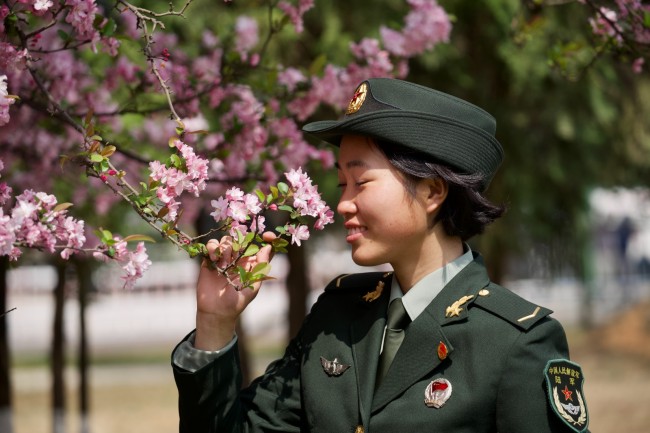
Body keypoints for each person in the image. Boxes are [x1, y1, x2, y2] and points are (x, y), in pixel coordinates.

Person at [171, 78, 590, 433]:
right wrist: (214, 323)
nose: (344, 205)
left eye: (361, 182)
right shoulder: (337, 319)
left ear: (432, 191)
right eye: (341, 185)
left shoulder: (513, 342)